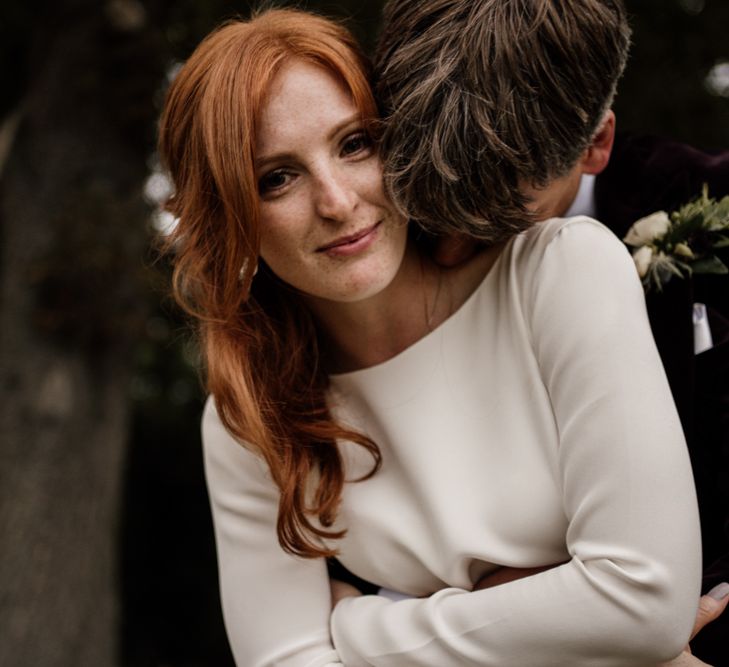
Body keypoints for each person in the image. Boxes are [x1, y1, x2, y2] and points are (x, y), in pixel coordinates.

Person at [158, 6, 709, 666]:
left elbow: (642, 604)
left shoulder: (560, 271)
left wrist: (370, 625)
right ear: (232, 218)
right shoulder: (248, 415)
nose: (336, 201)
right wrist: (564, 615)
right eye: (277, 178)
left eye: (354, 144)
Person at [372, 0, 729, 661]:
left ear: (596, 143)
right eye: (432, 210)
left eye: (497, 218)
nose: (447, 253)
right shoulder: (359, 230)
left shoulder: (709, 214)